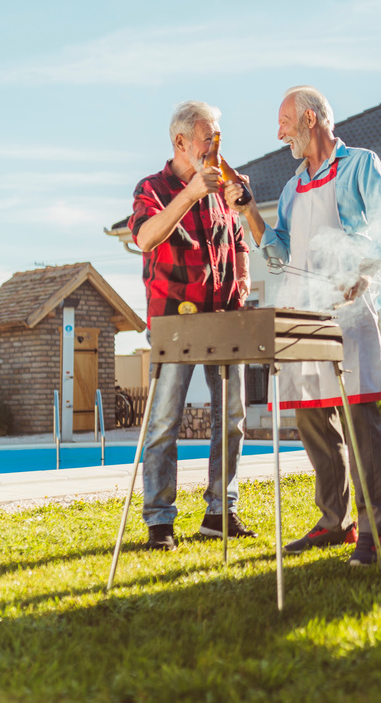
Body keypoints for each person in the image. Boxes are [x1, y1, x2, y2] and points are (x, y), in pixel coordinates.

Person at [241, 86, 381, 566]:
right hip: (302, 309)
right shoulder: (292, 187)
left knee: (359, 420)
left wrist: (363, 270)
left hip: (347, 307)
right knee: (313, 417)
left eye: (284, 121)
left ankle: (375, 530)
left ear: (310, 118)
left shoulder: (361, 165)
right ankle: (335, 521)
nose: (279, 132)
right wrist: (249, 209)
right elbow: (278, 253)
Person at [129, 101, 257, 551]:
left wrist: (241, 286)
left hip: (224, 319)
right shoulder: (154, 188)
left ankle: (221, 512)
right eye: (208, 137)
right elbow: (145, 237)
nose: (215, 145)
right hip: (174, 323)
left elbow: (240, 241)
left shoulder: (223, 187)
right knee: (165, 421)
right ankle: (160, 520)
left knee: (233, 420)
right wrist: (190, 195)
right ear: (181, 141)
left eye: (218, 136)